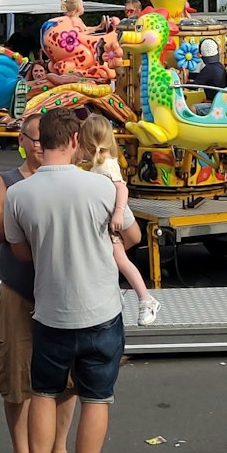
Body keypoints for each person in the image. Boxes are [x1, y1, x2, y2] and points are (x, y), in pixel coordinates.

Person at [4, 109, 140, 453]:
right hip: (100, 310)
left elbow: (20, 251)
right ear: (77, 140)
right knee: (96, 398)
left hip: (50, 311)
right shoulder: (101, 188)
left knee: (43, 394)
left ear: (39, 142)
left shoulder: (19, 193)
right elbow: (131, 236)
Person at [0, 110, 82, 453]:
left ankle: (58, 450)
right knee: (16, 374)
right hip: (21, 292)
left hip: (63, 292)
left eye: (46, 138)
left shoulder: (72, 179)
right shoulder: (6, 182)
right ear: (21, 141)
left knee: (68, 378)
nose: (40, 145)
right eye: (33, 138)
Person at [76, 116, 160, 324]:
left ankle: (146, 300)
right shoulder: (101, 163)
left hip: (110, 222)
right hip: (106, 222)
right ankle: (119, 297)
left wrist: (119, 213)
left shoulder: (106, 167)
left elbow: (121, 188)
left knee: (121, 261)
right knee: (111, 262)